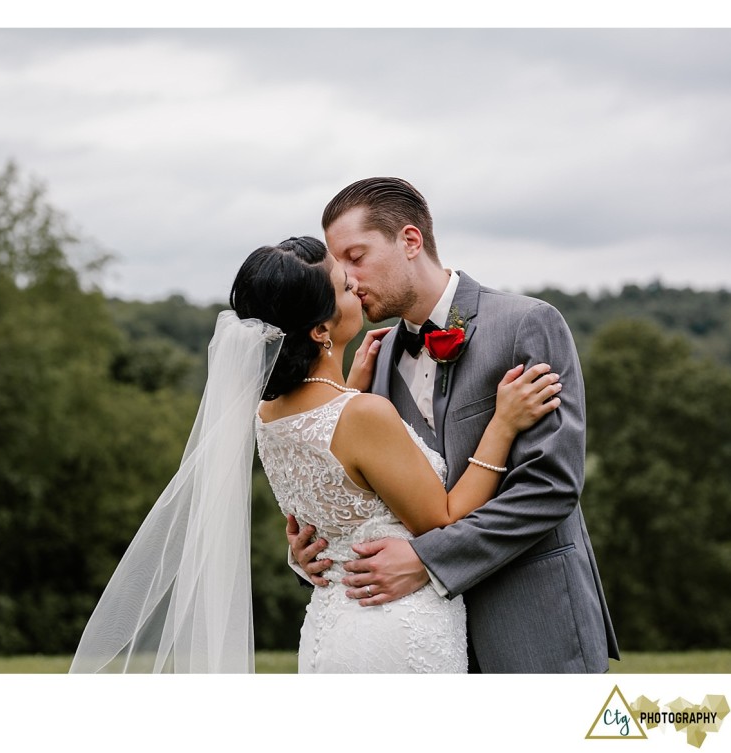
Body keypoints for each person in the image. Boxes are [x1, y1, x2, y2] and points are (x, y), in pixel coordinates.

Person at [70, 235, 559, 673]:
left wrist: (349, 385)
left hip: (331, 629)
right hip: (397, 632)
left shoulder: (266, 414)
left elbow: (336, 476)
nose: (359, 290)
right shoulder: (363, 415)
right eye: (347, 288)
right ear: (321, 331)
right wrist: (503, 424)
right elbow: (444, 519)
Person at [288, 177, 618, 673]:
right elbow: (366, 495)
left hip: (532, 626)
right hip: (423, 643)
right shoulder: (373, 363)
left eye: (357, 256)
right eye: (340, 267)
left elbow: (550, 486)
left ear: (410, 240)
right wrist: (313, 551)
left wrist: (427, 559)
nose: (349, 280)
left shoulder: (528, 324)